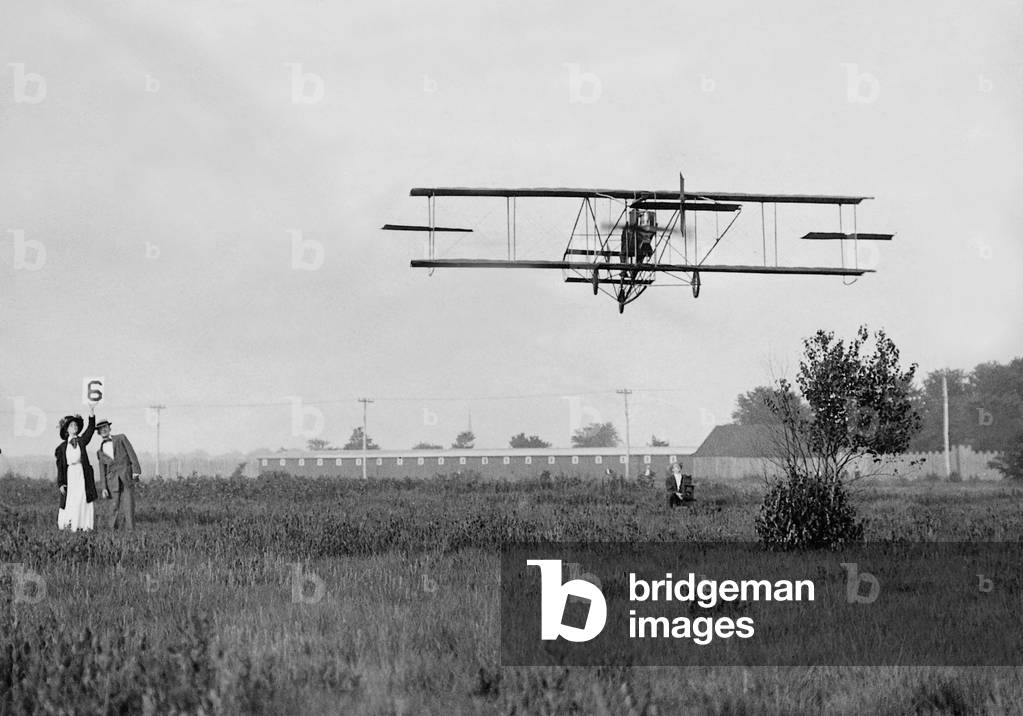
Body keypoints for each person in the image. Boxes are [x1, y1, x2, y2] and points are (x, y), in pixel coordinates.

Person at [56, 404, 97, 531]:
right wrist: (61, 483)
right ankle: (70, 525)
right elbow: (61, 468)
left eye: (76, 425)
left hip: (82, 473)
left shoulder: (81, 441)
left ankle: (85, 526)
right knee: (71, 499)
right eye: (71, 425)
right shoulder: (61, 448)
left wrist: (91, 413)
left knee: (83, 498)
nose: (74, 427)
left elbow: (90, 430)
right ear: (66, 429)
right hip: (70, 475)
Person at [94, 418, 142, 530]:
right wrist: (104, 487)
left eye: (105, 427)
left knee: (129, 505)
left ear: (109, 428)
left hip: (126, 476)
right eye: (101, 429)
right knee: (113, 506)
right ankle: (112, 532)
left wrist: (136, 470)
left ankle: (131, 531)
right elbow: (102, 470)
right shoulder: (99, 452)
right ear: (99, 433)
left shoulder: (121, 438)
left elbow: (132, 453)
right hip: (112, 481)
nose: (104, 430)